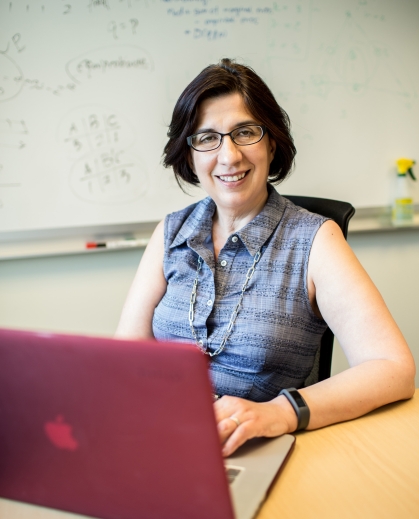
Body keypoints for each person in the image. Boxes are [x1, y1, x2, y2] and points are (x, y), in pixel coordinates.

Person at [116, 58, 415, 456]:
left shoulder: (315, 241)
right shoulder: (171, 232)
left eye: (245, 132)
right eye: (207, 138)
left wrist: (282, 413)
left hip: (256, 451)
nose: (229, 156)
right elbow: (126, 354)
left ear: (272, 141)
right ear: (189, 155)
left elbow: (392, 368)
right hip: (163, 441)